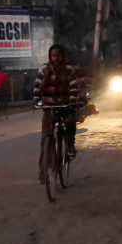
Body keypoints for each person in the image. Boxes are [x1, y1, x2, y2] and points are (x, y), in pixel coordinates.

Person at [33, 44, 81, 181]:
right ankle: (43, 171)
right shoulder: (43, 70)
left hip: (65, 104)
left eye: (59, 56)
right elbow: (37, 88)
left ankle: (70, 146)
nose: (56, 59)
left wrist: (72, 100)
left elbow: (73, 87)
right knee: (45, 138)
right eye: (54, 56)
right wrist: (37, 100)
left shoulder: (68, 70)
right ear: (50, 57)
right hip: (49, 106)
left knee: (70, 122)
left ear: (63, 56)